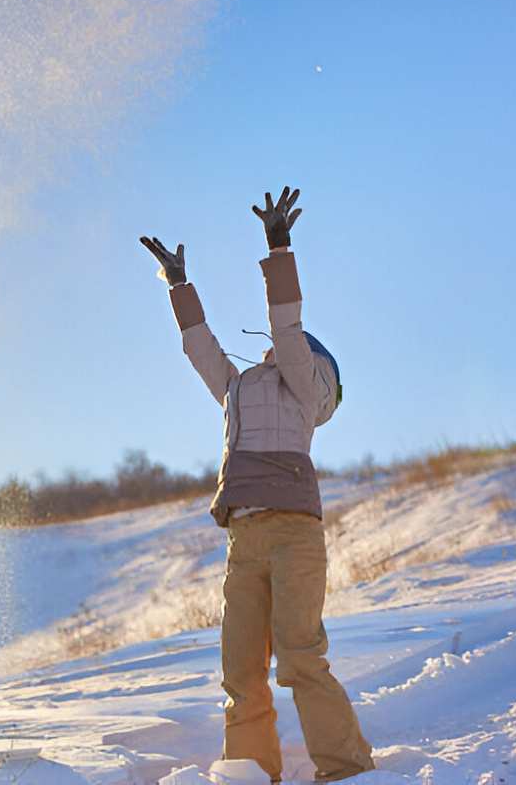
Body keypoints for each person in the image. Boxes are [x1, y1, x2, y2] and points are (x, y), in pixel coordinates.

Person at [138, 187, 374, 783]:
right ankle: (248, 774)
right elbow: (201, 349)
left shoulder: (304, 385)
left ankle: (346, 771)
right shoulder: (240, 389)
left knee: (299, 659)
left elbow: (287, 325)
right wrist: (178, 286)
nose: (275, 347)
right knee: (243, 673)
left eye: (295, 348)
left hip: (294, 535)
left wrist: (279, 246)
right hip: (242, 539)